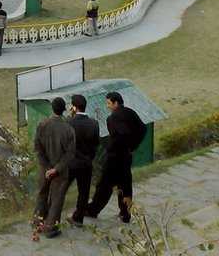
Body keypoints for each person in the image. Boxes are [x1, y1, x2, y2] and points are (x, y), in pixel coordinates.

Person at [87, 91, 147, 223]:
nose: (107, 106)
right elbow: (143, 129)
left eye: (109, 103)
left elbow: (120, 135)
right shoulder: (130, 112)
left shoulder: (112, 118)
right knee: (125, 184)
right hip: (127, 155)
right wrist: (132, 146)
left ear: (116, 103)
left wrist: (110, 148)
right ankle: (125, 213)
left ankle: (92, 210)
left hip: (115, 157)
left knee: (104, 185)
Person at [32, 97, 77, 239]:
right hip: (60, 171)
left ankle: (38, 220)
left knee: (42, 193)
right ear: (63, 110)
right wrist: (56, 169)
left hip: (44, 169)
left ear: (52, 108)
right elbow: (70, 154)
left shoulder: (42, 125)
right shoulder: (68, 129)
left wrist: (46, 167)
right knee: (57, 198)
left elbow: (38, 148)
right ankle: (50, 228)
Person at [67, 94, 100, 227]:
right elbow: (96, 143)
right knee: (84, 192)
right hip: (86, 162)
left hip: (71, 163)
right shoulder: (94, 123)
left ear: (74, 107)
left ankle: (52, 217)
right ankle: (78, 218)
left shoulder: (69, 122)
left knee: (61, 190)